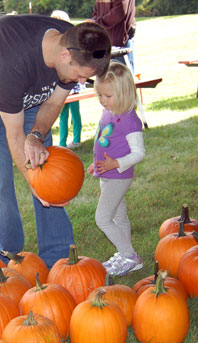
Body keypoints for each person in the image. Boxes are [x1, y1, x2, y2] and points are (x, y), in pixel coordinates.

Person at [0, 15, 111, 267]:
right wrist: (36, 184)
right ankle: (7, 257)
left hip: (31, 92)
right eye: (81, 75)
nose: (82, 83)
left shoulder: (76, 43)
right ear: (64, 56)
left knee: (48, 167)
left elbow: (53, 102)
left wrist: (37, 135)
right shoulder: (12, 60)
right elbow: (14, 133)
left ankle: (58, 255)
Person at [87, 61, 145, 276]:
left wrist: (115, 164)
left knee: (102, 218)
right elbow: (104, 140)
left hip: (119, 176)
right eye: (100, 95)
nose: (103, 101)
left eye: (108, 96)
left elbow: (139, 152)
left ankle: (129, 255)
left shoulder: (130, 120)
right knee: (119, 216)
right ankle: (125, 256)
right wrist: (97, 162)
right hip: (107, 174)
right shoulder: (108, 112)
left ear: (124, 93)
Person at [50, 10, 85, 149]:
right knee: (63, 115)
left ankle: (75, 140)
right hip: (61, 88)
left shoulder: (71, 44)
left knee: (73, 114)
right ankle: (63, 143)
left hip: (72, 88)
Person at [92, 0, 136, 74]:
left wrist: (98, 22)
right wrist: (96, 21)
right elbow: (96, 9)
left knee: (124, 79)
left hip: (120, 43)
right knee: (105, 79)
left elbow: (120, 10)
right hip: (104, 43)